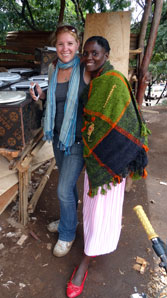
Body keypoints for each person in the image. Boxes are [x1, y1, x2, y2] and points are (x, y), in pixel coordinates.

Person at [66, 36, 150, 298]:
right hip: (97, 157)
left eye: (96, 53)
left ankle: (84, 264)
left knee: (103, 208)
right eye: (86, 53)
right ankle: (97, 244)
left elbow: (127, 120)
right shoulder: (91, 78)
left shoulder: (114, 81)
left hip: (112, 162)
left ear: (107, 54)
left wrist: (119, 156)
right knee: (94, 209)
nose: (90, 57)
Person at [30, 24, 87, 257]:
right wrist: (42, 95)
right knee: (68, 186)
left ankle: (67, 235)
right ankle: (68, 220)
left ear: (78, 45)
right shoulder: (54, 67)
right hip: (59, 137)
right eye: (61, 43)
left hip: (77, 139)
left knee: (63, 189)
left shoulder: (85, 68)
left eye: (70, 43)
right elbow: (57, 98)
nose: (65, 48)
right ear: (56, 46)